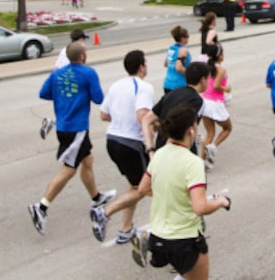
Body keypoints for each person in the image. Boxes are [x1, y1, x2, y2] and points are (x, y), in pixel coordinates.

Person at [28, 42, 115, 235]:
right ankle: (41, 207)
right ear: (82, 57)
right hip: (76, 128)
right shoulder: (88, 73)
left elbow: (43, 93)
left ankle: (96, 197)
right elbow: (99, 99)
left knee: (88, 159)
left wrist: (64, 97)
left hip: (63, 126)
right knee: (69, 170)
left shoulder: (57, 73)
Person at [134, 104, 231, 278]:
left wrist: (172, 196)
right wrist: (220, 202)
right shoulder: (193, 163)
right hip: (185, 241)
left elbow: (143, 188)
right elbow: (200, 208)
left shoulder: (159, 154)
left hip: (159, 237)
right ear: (190, 131)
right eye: (196, 125)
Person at [90, 50, 155, 245]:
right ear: (141, 67)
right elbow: (143, 115)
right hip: (132, 144)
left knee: (134, 184)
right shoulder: (144, 87)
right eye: (146, 63)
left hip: (112, 140)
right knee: (146, 187)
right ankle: (105, 212)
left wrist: (120, 119)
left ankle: (125, 229)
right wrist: (151, 144)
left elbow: (103, 115)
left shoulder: (117, 85)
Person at [143, 62, 210, 156]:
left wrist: (150, 150)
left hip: (160, 151)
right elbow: (188, 130)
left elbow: (146, 120)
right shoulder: (197, 101)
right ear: (203, 80)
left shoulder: (172, 94)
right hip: (180, 153)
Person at [42, 28, 90, 139]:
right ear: (80, 39)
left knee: (66, 110)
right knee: (72, 110)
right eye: (83, 40)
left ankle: (51, 122)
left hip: (61, 81)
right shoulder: (76, 52)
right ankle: (54, 123)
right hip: (69, 81)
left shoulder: (66, 50)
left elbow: (56, 68)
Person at [200, 43, 232, 170]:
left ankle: (201, 162)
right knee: (228, 128)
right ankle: (213, 147)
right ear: (219, 55)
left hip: (205, 102)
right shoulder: (221, 69)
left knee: (210, 133)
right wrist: (226, 89)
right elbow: (216, 86)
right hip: (215, 103)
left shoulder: (207, 66)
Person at [164, 26, 192, 94]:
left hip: (167, 83)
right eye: (187, 36)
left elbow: (165, 64)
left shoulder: (171, 48)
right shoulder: (183, 50)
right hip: (179, 85)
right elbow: (179, 68)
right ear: (182, 38)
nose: (188, 38)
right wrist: (191, 74)